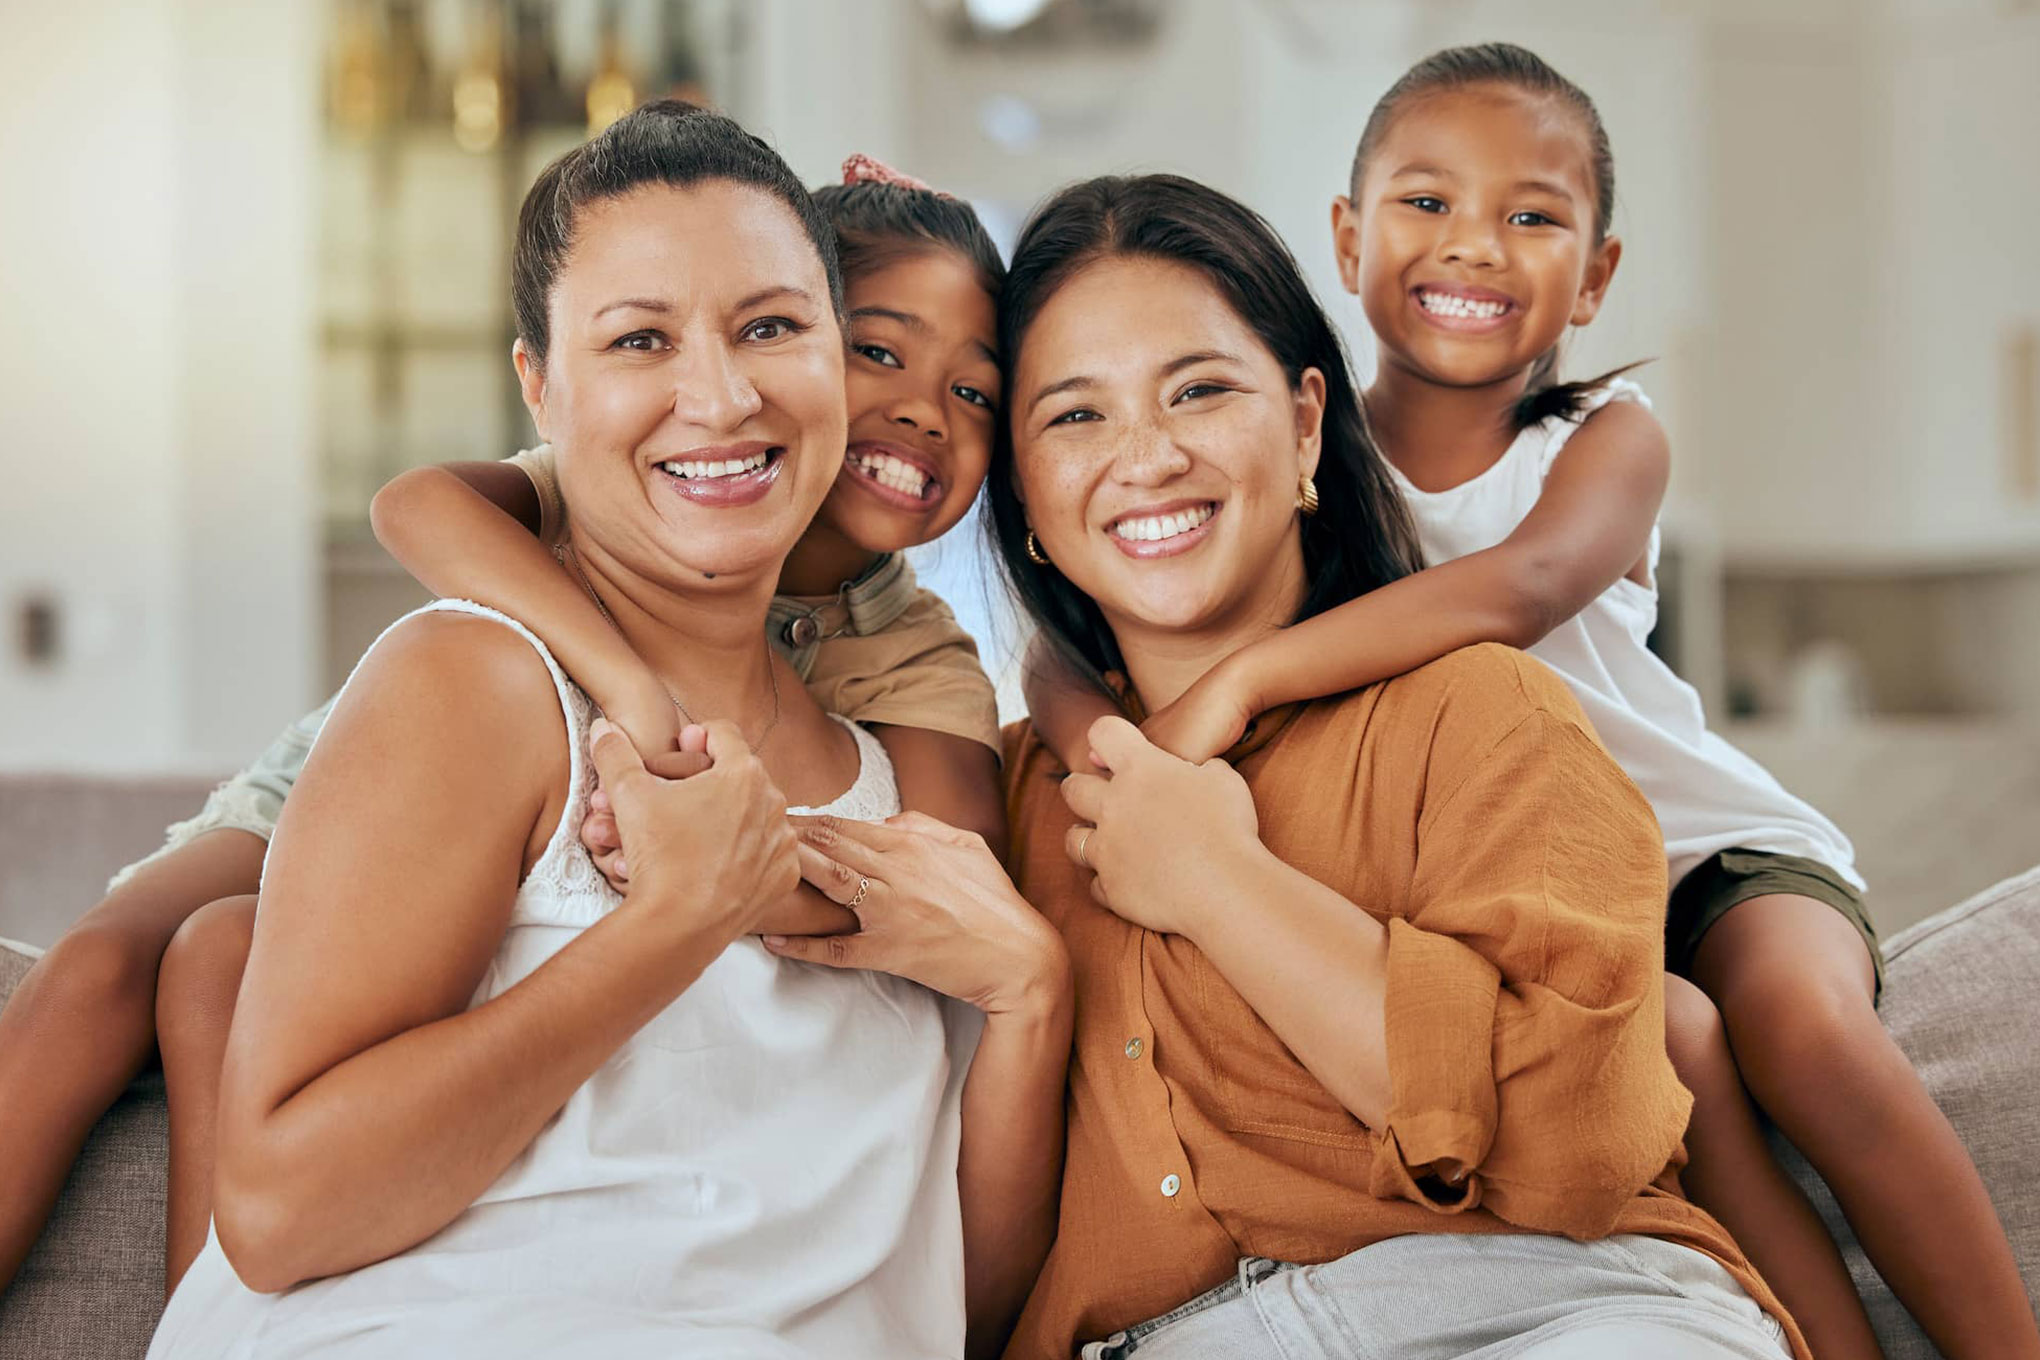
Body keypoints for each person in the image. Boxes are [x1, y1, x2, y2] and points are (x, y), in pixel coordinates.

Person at [1023, 43, 2038, 1360]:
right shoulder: (1307, 462)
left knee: (1798, 1027)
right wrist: (1118, 764)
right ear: (1348, 238)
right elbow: (1051, 659)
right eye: (1426, 201)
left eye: (1533, 216)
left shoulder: (1600, 435)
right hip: (1525, 882)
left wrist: (1241, 687)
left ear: (1598, 275)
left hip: (1700, 850)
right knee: (1678, 1046)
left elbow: (1525, 586)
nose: (1474, 244)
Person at [0, 153, 1020, 1300]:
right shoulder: (611, 478)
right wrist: (630, 690)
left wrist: (722, 868)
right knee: (103, 968)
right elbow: (415, 505)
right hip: (376, 763)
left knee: (220, 960)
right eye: (881, 350)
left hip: (582, 811)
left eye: (976, 391)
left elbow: (950, 878)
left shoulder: (909, 648)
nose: (922, 410)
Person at [990, 171, 1800, 1359]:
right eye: (1075, 416)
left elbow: (1577, 1149)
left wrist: (1220, 880)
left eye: (1200, 390)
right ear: (1018, 485)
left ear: (1306, 423)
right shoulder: (998, 794)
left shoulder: (1483, 710)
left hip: (1556, 1304)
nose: (1147, 457)